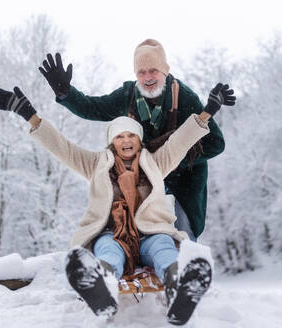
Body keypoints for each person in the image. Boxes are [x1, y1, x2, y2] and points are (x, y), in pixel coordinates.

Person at [0, 82, 235, 325]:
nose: (126, 140)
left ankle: (179, 285)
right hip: (113, 234)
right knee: (107, 250)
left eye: (131, 135)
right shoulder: (96, 164)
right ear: (112, 141)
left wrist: (208, 111)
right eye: (119, 136)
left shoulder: (156, 162)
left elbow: (181, 141)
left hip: (152, 233)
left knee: (164, 248)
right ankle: (100, 287)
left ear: (139, 141)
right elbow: (63, 148)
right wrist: (30, 116)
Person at [38, 39, 235, 242]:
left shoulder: (183, 97)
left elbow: (216, 143)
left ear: (164, 72)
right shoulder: (128, 95)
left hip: (184, 182)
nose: (148, 77)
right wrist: (66, 93)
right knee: (137, 232)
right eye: (141, 72)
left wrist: (174, 159)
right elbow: (92, 108)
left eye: (153, 71)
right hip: (143, 179)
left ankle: (187, 269)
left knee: (184, 234)